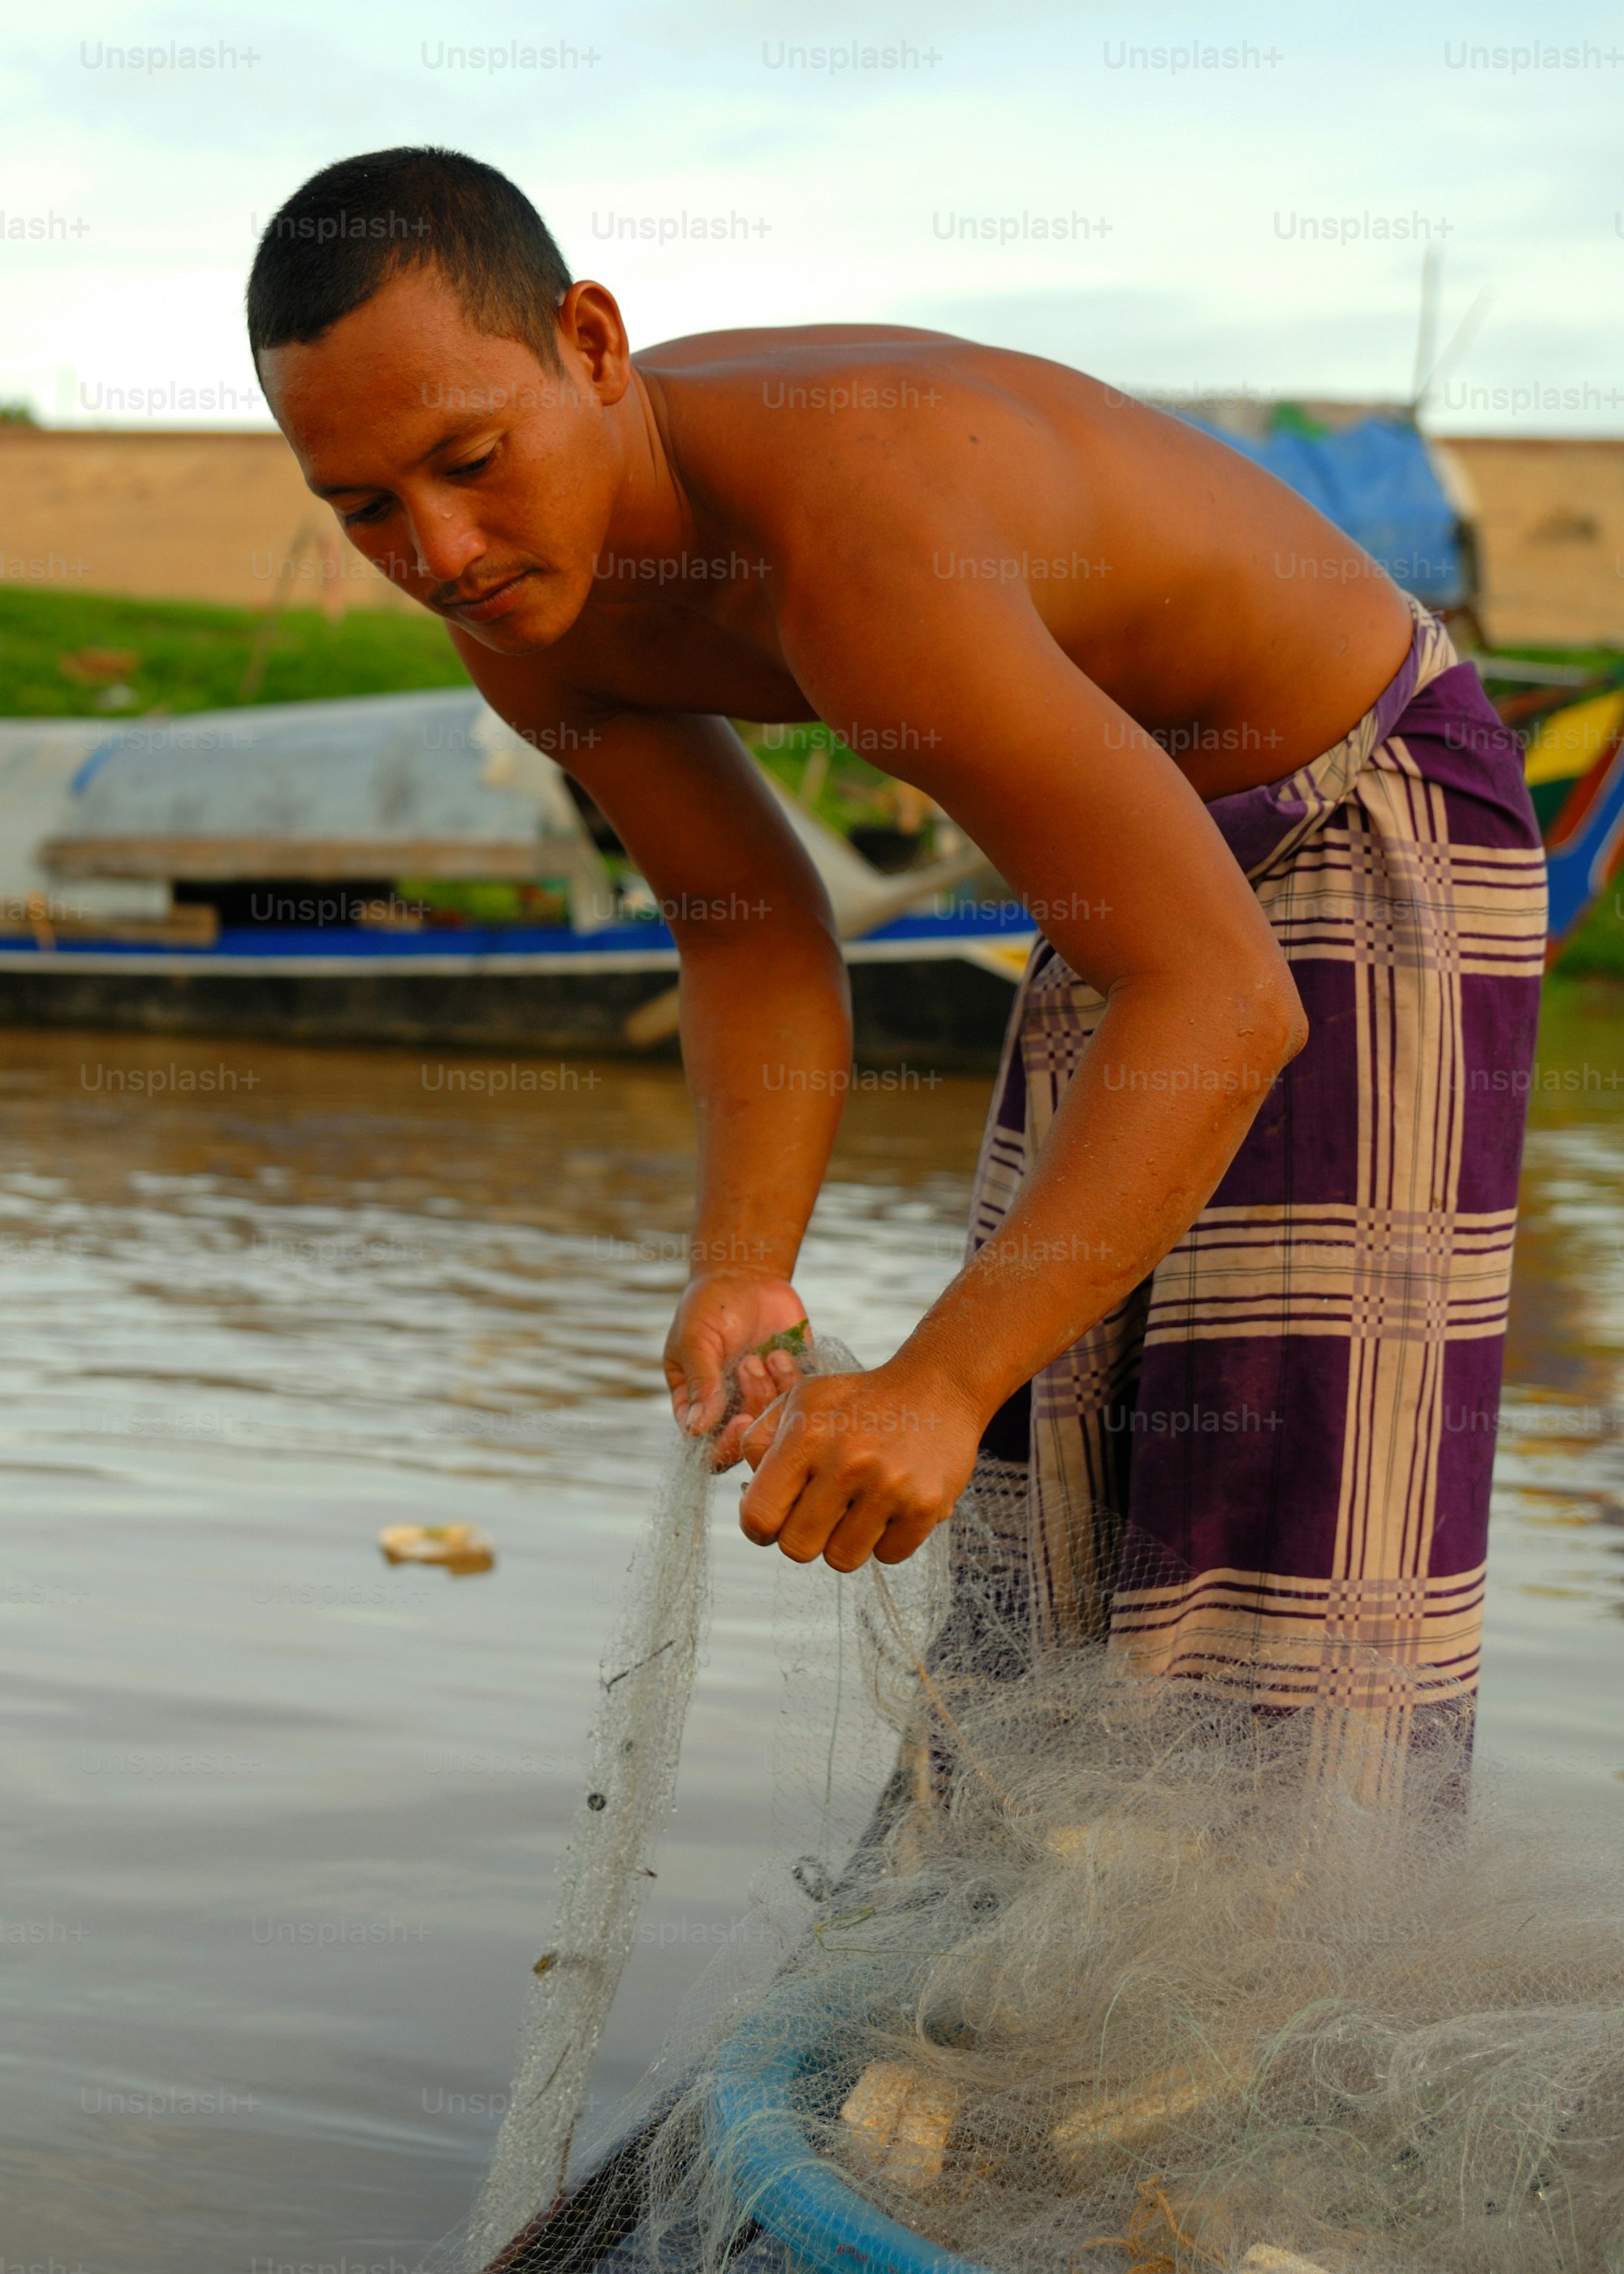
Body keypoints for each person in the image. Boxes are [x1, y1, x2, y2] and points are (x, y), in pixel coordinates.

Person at [248, 147, 1545, 1706]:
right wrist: (744, 1270)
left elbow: (1221, 996)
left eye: (470, 459)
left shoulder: (858, 542)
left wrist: (937, 1380)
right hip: (1135, 876)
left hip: (1365, 802)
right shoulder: (518, 616)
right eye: (365, 507)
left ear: (590, 344)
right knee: (1053, 1493)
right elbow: (749, 937)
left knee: (1275, 1523)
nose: (438, 551)